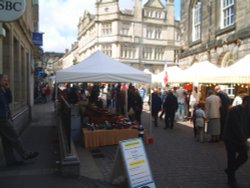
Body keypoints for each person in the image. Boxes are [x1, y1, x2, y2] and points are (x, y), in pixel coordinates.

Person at [0, 74, 39, 166]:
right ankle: (25, 154)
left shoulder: (2, 90)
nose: (6, 81)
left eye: (7, 80)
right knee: (14, 137)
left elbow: (9, 100)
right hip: (2, 119)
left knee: (7, 140)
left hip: (4, 117)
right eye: (4, 80)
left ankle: (10, 161)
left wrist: (7, 89)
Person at [223, 95, 250, 187]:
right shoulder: (235, 110)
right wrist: (244, 140)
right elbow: (236, 127)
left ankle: (230, 170)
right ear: (246, 102)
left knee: (244, 156)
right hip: (230, 138)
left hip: (240, 138)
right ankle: (231, 179)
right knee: (231, 158)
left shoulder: (248, 111)